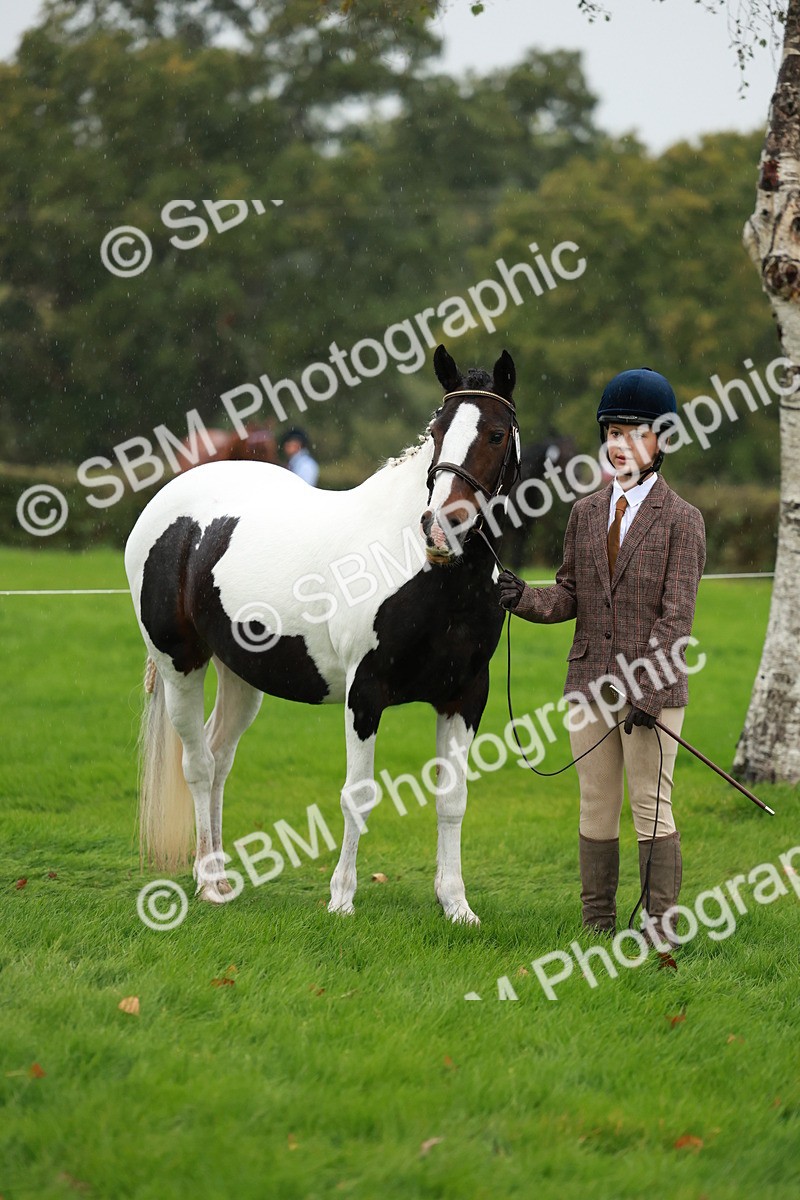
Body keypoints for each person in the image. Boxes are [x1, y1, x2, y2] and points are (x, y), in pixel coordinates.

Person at [498, 368, 706, 958]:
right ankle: (597, 925)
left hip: (651, 694)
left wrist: (644, 687)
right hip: (588, 682)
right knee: (595, 804)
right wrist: (522, 597)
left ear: (660, 440)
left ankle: (660, 928)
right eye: (612, 432)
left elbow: (676, 617)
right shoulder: (586, 513)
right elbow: (569, 595)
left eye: (633, 433)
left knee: (650, 803)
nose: (619, 445)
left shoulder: (681, 519)